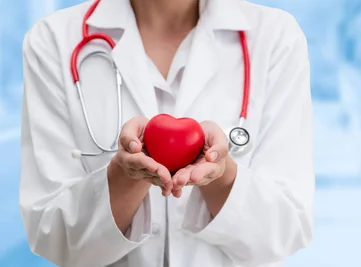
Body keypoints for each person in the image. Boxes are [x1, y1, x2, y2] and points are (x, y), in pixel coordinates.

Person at [18, 0, 315, 266]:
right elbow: (53, 238)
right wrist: (125, 176)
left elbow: (286, 231)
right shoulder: (53, 40)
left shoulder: (275, 37)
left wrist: (221, 176)